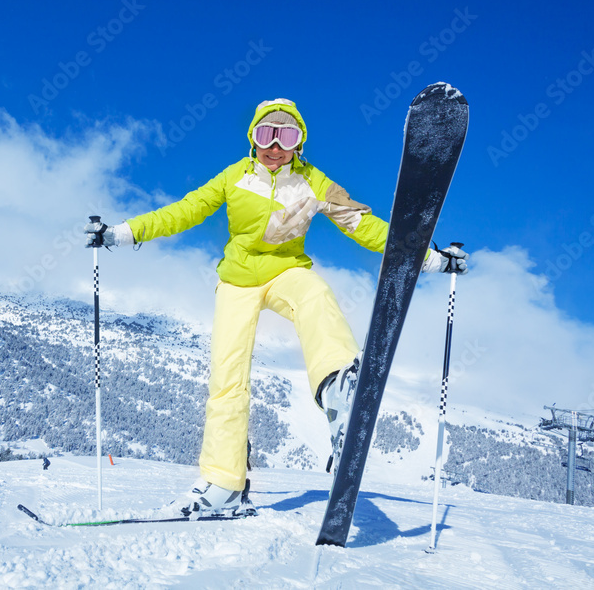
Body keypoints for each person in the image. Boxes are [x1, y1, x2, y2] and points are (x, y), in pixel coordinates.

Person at [85, 98, 468, 517]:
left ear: (299, 143)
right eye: (266, 133)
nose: (275, 145)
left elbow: (363, 224)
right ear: (253, 137)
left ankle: (340, 387)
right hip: (236, 280)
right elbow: (185, 211)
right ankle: (223, 483)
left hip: (287, 270)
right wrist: (123, 233)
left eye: (288, 135)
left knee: (316, 296)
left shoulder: (313, 182)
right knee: (227, 378)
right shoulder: (235, 176)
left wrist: (426, 257)